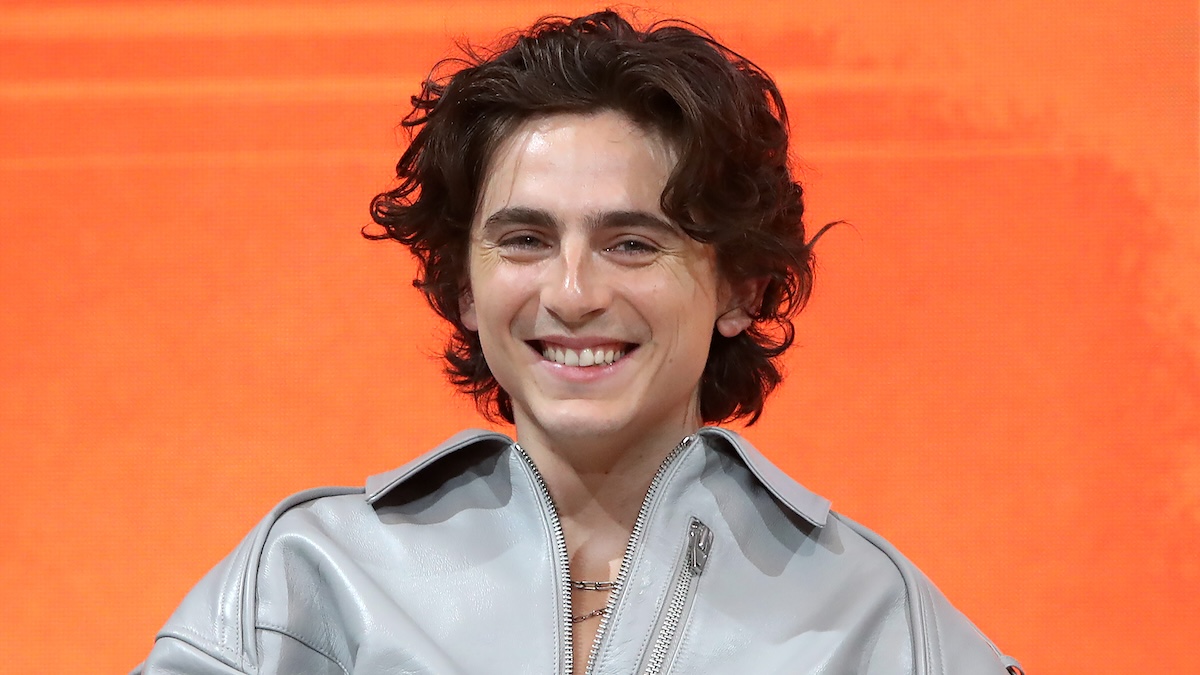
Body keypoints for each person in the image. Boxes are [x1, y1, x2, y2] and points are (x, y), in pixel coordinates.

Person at [136, 10, 1022, 675]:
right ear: (464, 288)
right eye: (524, 240)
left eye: (632, 242)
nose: (572, 293)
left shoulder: (877, 622)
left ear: (740, 288)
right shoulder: (304, 585)